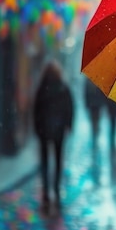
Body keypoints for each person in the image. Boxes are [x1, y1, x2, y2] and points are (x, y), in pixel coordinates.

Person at [33, 60, 74, 212]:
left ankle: (46, 192)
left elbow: (36, 110)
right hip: (58, 131)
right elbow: (70, 107)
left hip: (44, 130)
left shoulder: (42, 88)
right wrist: (68, 125)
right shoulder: (63, 87)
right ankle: (55, 190)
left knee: (44, 162)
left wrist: (37, 128)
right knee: (57, 161)